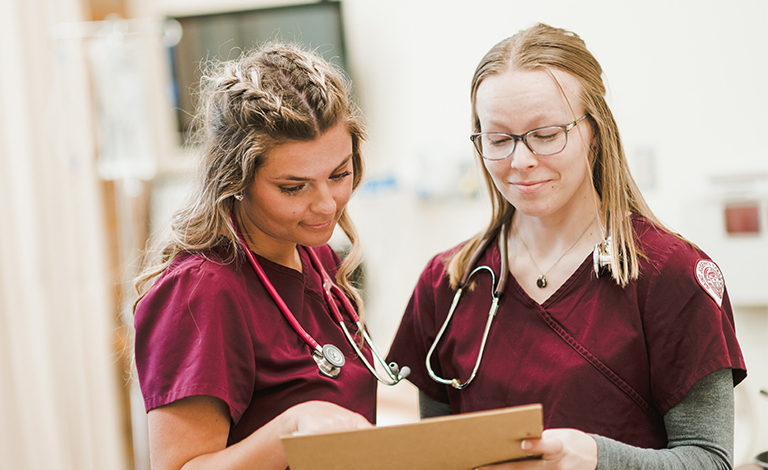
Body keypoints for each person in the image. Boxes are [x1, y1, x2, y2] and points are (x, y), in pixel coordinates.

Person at [387, 23, 746, 469]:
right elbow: (438, 455)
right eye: (498, 140)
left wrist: (597, 458)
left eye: (546, 134)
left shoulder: (669, 275)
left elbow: (710, 461)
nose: (520, 161)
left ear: (593, 130)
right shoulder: (449, 282)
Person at [133, 42, 377, 470]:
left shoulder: (319, 260)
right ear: (236, 180)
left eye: (339, 174)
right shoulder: (201, 291)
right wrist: (292, 426)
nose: (326, 205)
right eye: (293, 187)